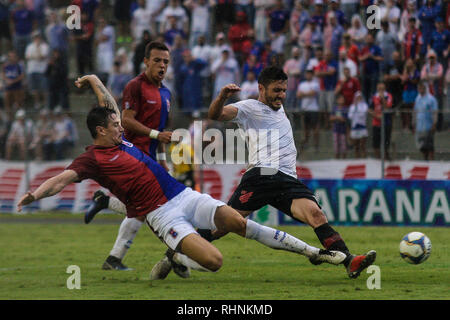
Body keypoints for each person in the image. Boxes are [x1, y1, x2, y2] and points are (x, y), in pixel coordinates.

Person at [17, 73, 347, 280]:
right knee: (214, 260)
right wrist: (35, 194)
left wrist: (91, 79)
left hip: (183, 195)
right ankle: (169, 253)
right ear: (100, 131)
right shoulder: (92, 158)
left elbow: (107, 102)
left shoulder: (121, 137)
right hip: (161, 213)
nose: (121, 126)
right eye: (115, 124)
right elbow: (62, 179)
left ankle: (314, 253)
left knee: (238, 223)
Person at [151, 66, 376, 279]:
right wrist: (221, 97)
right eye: (276, 90)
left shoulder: (280, 109)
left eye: (284, 90)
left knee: (316, 215)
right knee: (224, 225)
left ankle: (350, 262)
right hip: (262, 176)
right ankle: (174, 254)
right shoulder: (249, 107)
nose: (281, 95)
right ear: (261, 88)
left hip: (287, 180)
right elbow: (215, 114)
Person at [84, 42, 174, 272]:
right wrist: (155, 134)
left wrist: (162, 157)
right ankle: (177, 257)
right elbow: (126, 120)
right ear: (146, 61)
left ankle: (114, 255)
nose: (162, 65)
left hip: (151, 157)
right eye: (157, 60)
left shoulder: (166, 93)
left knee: (144, 208)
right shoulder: (135, 86)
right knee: (152, 207)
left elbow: (161, 132)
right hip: (131, 155)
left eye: (165, 61)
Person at [413, 81, 438, 160]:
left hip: (428, 126)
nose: (420, 89)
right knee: (422, 147)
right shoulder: (417, 99)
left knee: (430, 146)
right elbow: (415, 112)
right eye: (419, 88)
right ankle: (425, 160)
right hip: (420, 126)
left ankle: (432, 161)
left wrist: (434, 124)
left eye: (422, 88)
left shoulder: (431, 99)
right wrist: (414, 123)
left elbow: (435, 112)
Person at [368, 81, 393, 160]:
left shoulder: (388, 96)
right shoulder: (374, 97)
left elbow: (387, 107)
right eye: (379, 89)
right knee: (376, 145)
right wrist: (377, 116)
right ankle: (378, 160)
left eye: (382, 89)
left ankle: (385, 159)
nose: (380, 90)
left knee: (386, 144)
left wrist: (382, 98)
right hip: (376, 123)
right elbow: (369, 110)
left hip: (386, 123)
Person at [348, 91, 368, 158]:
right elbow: (350, 116)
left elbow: (362, 115)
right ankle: (357, 158)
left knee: (362, 145)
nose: (358, 99)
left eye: (360, 97)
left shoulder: (365, 105)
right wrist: (355, 106)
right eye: (357, 97)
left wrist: (357, 107)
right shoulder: (352, 106)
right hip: (355, 127)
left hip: (362, 126)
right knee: (356, 146)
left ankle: (364, 158)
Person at [330, 94, 348, 159]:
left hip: (343, 129)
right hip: (336, 129)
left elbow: (345, 119)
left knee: (343, 145)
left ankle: (343, 158)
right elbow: (331, 118)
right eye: (340, 99)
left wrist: (338, 118)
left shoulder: (345, 109)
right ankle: (336, 158)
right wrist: (337, 118)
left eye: (342, 99)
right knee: (336, 144)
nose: (341, 101)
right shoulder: (334, 108)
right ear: (337, 100)